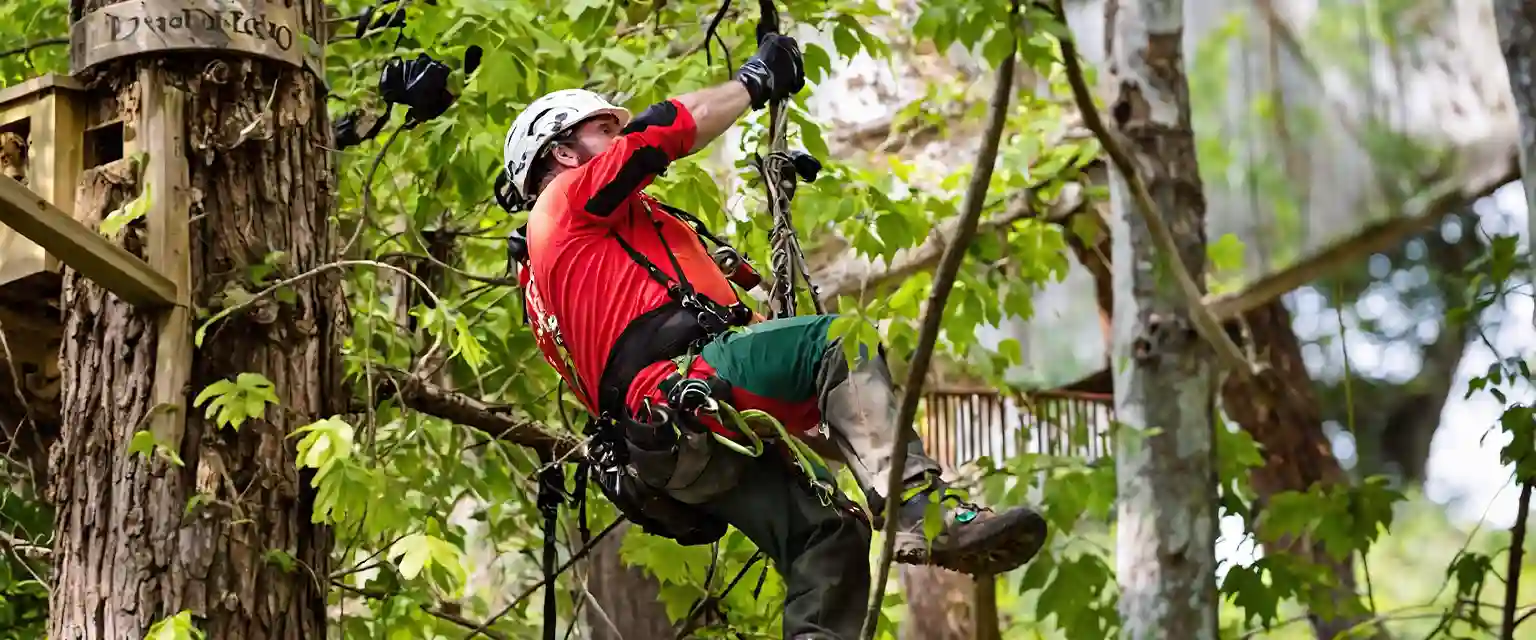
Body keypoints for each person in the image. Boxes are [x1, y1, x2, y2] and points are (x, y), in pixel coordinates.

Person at [501, 32, 1047, 639]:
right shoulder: (565, 204)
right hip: (684, 387)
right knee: (840, 337)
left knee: (829, 534)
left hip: (671, 442)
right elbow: (664, 130)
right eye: (602, 130)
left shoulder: (558, 276)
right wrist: (756, 80)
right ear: (566, 154)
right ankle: (926, 508)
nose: (614, 141)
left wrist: (843, 428)